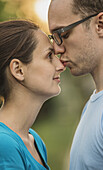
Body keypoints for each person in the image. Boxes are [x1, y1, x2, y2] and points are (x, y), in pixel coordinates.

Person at [48, 0, 103, 169]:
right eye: (53, 38)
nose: (57, 49)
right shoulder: (96, 101)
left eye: (63, 34)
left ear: (100, 25)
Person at [0, 19, 64, 170]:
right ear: (18, 70)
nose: (60, 66)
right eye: (49, 56)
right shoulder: (4, 144)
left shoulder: (34, 140)